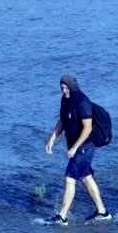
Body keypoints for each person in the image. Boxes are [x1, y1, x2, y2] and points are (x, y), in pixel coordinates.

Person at [44, 75, 111, 225]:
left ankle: (62, 216)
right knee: (86, 177)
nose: (64, 91)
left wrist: (74, 148)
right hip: (76, 146)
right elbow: (62, 120)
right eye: (62, 88)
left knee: (69, 178)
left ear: (73, 87)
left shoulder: (82, 102)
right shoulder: (65, 100)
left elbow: (87, 128)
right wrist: (52, 138)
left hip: (85, 145)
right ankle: (102, 212)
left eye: (67, 88)